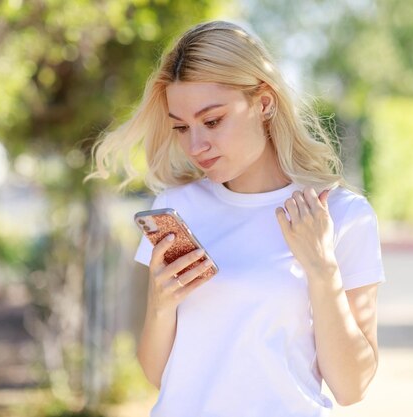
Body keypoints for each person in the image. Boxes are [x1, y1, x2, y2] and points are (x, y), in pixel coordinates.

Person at [89, 20, 386, 417]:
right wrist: (161, 304)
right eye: (181, 127)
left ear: (264, 102)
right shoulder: (178, 208)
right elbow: (160, 375)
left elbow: (352, 388)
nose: (196, 145)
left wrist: (322, 270)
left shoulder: (341, 216)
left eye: (212, 121)